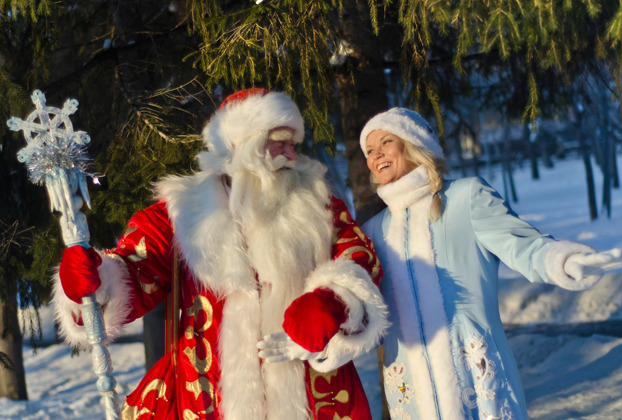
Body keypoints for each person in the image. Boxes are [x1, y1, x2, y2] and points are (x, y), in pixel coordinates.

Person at [52, 88, 389, 420]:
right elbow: (137, 267)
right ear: (243, 146)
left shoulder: (318, 203)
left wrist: (333, 300)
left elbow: (359, 257)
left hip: (310, 390)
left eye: (292, 144)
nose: (291, 153)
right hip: (207, 393)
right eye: (279, 142)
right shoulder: (180, 212)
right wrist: (96, 277)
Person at [358, 107, 622, 420]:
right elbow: (366, 310)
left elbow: (523, 246)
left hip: (477, 379)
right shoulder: (371, 232)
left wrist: (564, 260)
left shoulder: (466, 197)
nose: (377, 154)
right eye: (369, 150)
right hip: (409, 391)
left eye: (386, 142)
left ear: (414, 143)